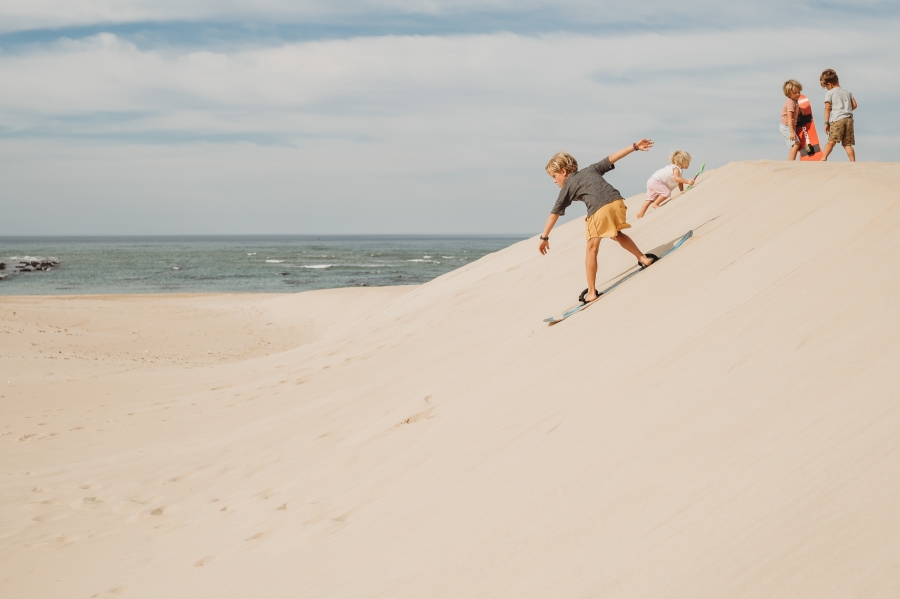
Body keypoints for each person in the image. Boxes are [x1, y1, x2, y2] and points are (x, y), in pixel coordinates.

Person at [538, 140, 658, 305]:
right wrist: (635, 147)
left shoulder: (567, 187)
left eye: (554, 176)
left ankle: (592, 292)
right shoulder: (591, 169)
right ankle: (643, 258)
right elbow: (612, 158)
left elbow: (554, 214)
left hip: (599, 210)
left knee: (591, 249)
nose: (554, 180)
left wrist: (544, 238)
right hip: (618, 202)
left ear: (563, 171)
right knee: (616, 234)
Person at [636, 150, 695, 218]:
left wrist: (682, 191)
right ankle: (655, 204)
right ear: (681, 162)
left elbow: (679, 181)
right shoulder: (676, 169)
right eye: (688, 161)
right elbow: (677, 179)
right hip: (657, 181)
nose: (689, 163)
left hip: (652, 180)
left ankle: (640, 214)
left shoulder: (675, 168)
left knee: (650, 199)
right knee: (666, 193)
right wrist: (688, 182)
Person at [819, 69, 857, 162]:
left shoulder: (830, 93)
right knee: (847, 144)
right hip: (849, 119)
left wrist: (826, 123)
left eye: (825, 86)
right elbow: (855, 105)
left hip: (837, 120)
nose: (826, 88)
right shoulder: (847, 91)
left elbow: (827, 109)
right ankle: (853, 162)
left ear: (829, 84)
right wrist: (846, 110)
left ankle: (823, 158)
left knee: (831, 141)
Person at [780, 80, 803, 161]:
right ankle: (790, 163)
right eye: (795, 93)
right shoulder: (790, 103)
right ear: (788, 94)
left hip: (790, 127)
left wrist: (799, 110)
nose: (798, 94)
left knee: (794, 145)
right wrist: (791, 132)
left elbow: (795, 109)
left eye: (799, 92)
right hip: (787, 127)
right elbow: (789, 118)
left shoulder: (795, 101)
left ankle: (791, 161)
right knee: (796, 144)